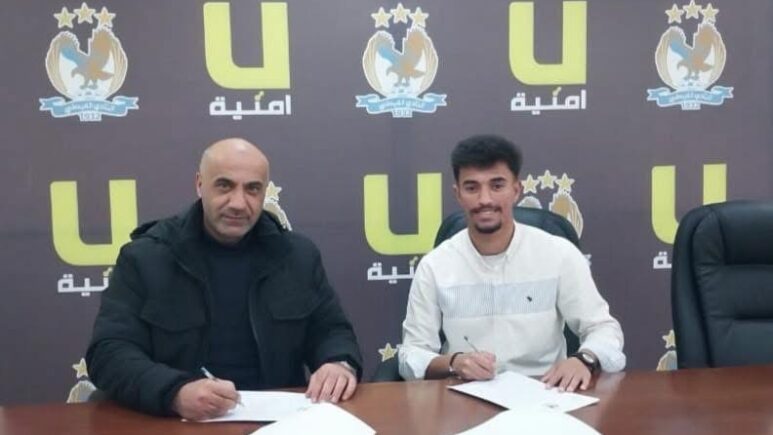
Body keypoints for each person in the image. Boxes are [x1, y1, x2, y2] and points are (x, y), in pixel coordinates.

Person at [86, 138, 362, 420]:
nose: (238, 203)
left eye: (252, 189)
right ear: (199, 184)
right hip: (178, 421)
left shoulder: (298, 256)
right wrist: (174, 392)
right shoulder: (145, 258)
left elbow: (332, 331)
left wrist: (338, 364)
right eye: (224, 186)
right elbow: (109, 353)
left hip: (278, 421)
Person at [398, 134, 625, 392]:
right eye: (472, 188)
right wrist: (454, 363)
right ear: (458, 194)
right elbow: (411, 355)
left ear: (516, 190)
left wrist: (583, 360)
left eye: (497, 186)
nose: (485, 199)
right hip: (467, 394)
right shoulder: (435, 266)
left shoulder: (558, 254)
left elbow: (604, 329)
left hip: (547, 392)